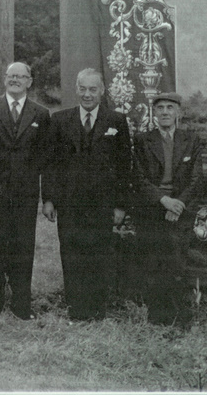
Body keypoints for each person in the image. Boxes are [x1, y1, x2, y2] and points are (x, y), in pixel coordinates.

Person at [42, 68, 132, 321]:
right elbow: (51, 163)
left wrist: (120, 205)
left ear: (102, 91)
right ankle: (77, 310)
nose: (87, 94)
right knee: (71, 254)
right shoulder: (59, 120)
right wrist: (48, 199)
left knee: (99, 254)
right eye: (83, 88)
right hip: (70, 203)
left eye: (93, 89)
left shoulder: (116, 121)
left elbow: (125, 166)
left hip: (103, 204)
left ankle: (96, 311)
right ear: (76, 89)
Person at [0, 62, 51, 319]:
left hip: (25, 193)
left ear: (30, 81)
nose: (15, 80)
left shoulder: (40, 113)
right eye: (11, 76)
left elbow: (44, 155)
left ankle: (21, 306)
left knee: (22, 247)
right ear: (5, 79)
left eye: (21, 76)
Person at [132, 92, 203, 325]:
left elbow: (196, 179)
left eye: (169, 108)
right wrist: (164, 201)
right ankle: (157, 318)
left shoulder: (190, 140)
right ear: (154, 113)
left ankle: (180, 318)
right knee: (153, 263)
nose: (164, 112)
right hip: (152, 209)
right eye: (160, 108)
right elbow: (139, 178)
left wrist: (178, 205)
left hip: (180, 211)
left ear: (178, 113)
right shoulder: (143, 140)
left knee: (177, 264)